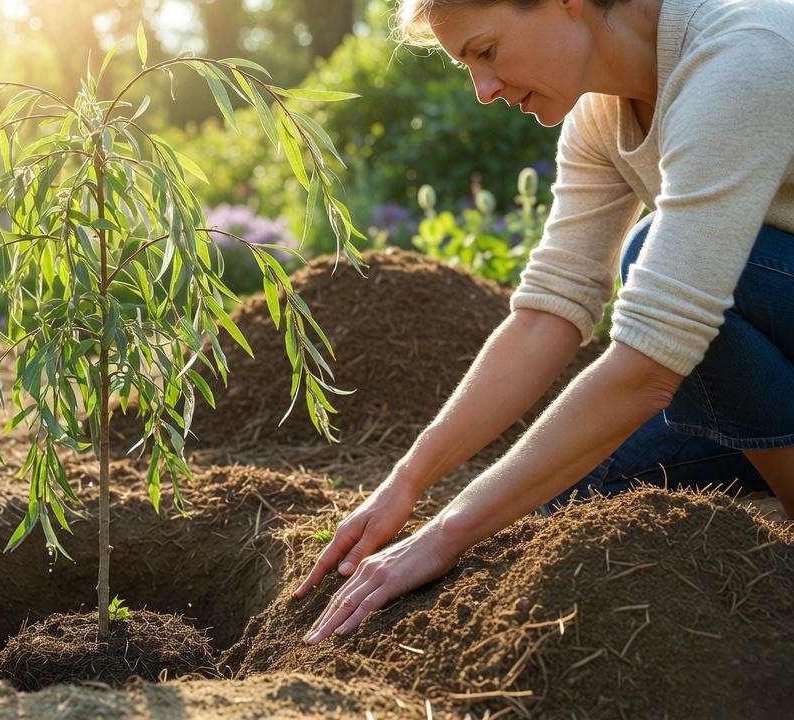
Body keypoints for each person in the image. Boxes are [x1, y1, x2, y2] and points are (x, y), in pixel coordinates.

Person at [297, 0, 794, 644]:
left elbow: (652, 359)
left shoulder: (743, 54)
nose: (483, 90)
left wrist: (442, 534)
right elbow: (549, 310)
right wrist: (409, 484)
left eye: (486, 51)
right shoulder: (600, 113)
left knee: (657, 257)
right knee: (562, 500)